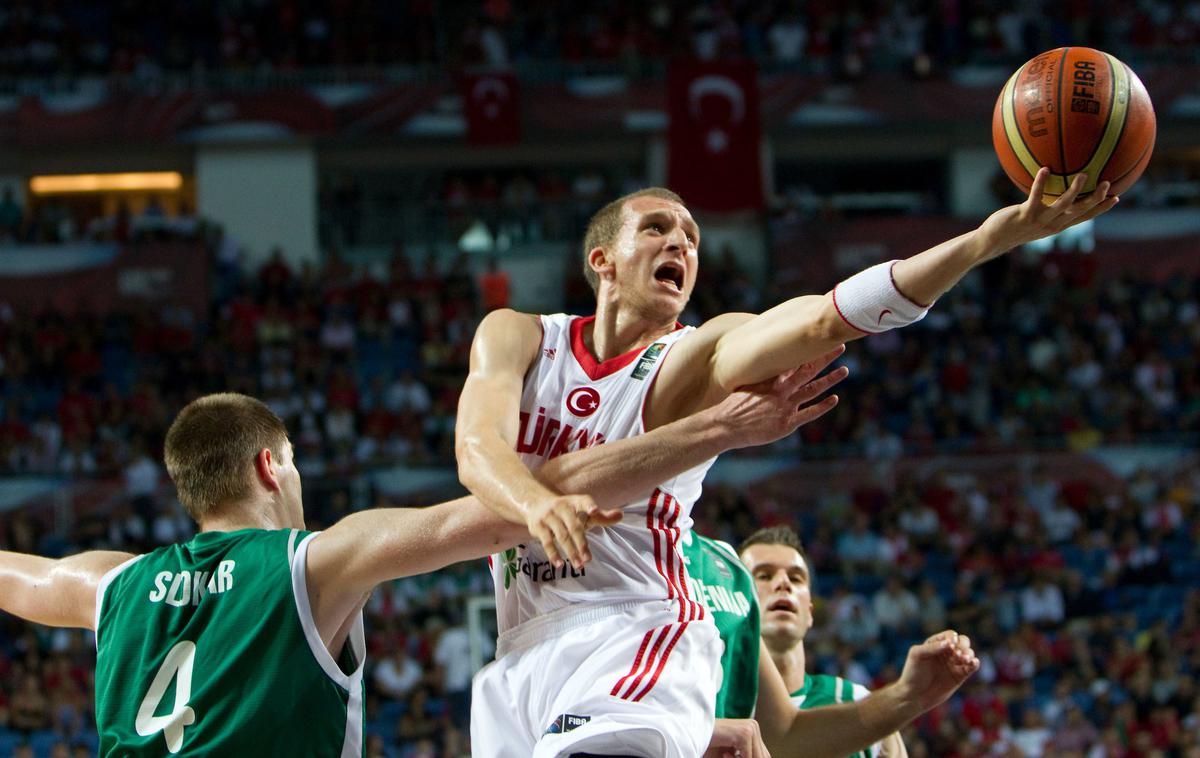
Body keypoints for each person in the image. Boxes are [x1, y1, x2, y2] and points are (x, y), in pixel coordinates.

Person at [457, 170, 1110, 756]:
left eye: (690, 237)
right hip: (523, 651)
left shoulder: (694, 357)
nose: (679, 244)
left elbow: (822, 321)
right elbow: (476, 450)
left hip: (637, 627)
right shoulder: (518, 335)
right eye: (656, 228)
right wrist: (538, 504)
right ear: (602, 259)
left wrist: (984, 240)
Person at [0, 377, 831, 755]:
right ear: (269, 466)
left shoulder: (109, 584)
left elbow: (19, 576)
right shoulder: (314, 563)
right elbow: (508, 507)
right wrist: (715, 432)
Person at [681, 528, 977, 758]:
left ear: (810, 611)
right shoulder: (704, 702)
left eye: (796, 578)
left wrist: (909, 696)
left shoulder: (858, 704)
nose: (782, 583)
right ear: (733, 597)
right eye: (764, 575)